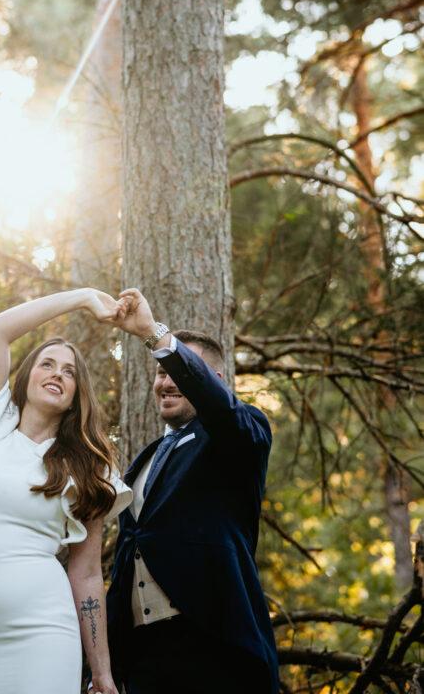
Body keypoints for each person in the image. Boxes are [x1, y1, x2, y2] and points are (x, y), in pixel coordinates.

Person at [0, 288, 133, 694]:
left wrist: (101, 672)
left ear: (74, 396)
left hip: (45, 630)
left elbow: (85, 573)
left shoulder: (88, 465)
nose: (57, 374)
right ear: (26, 376)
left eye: (69, 372)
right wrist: (83, 297)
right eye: (47, 364)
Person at [105, 288, 279, 694]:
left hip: (214, 645)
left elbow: (223, 411)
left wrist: (155, 336)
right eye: (161, 374)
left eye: (178, 372)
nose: (166, 381)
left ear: (212, 382)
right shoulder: (144, 460)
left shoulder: (242, 433)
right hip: (144, 658)